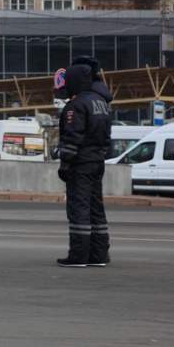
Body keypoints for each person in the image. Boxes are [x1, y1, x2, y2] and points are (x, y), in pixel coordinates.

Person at [56, 59, 113, 268]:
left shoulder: (77, 104)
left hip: (80, 164)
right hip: (97, 162)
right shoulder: (101, 102)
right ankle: (98, 254)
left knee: (78, 208)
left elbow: (73, 137)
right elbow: (107, 138)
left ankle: (78, 255)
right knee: (96, 208)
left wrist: (65, 164)